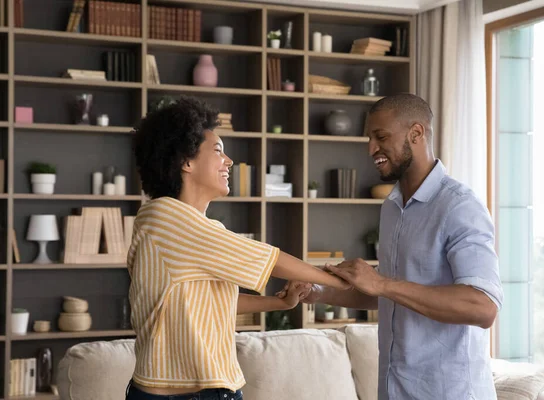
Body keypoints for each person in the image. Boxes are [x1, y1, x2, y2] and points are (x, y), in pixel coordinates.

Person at [279, 93, 503, 400]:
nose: (371, 149)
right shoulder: (392, 206)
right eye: (369, 138)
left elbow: (483, 306)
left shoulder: (459, 206)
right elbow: (389, 296)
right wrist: (320, 291)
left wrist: (381, 282)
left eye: (381, 137)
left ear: (416, 133)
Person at [125, 96, 350, 400]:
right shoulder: (164, 219)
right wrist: (342, 280)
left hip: (210, 388)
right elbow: (269, 259)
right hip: (181, 394)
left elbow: (212, 302)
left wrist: (278, 303)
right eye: (218, 150)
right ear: (185, 161)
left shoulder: (191, 229)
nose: (229, 161)